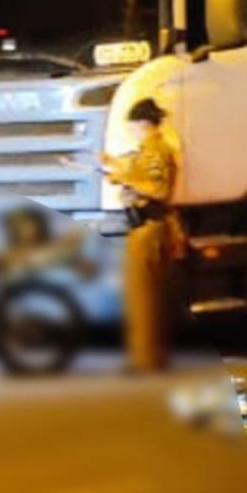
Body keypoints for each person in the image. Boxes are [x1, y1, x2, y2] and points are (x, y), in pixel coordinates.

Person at [101, 98, 185, 373]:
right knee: (145, 297)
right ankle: (147, 358)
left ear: (143, 123)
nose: (132, 131)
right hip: (143, 228)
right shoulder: (148, 150)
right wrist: (115, 167)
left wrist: (126, 180)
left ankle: (147, 362)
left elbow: (158, 189)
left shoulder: (157, 150)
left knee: (144, 297)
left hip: (148, 227)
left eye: (134, 126)